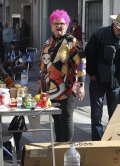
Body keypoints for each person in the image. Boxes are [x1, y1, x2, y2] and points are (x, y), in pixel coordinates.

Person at [37, 9, 86, 142]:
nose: (59, 26)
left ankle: (67, 148)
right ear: (51, 26)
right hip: (50, 87)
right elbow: (43, 63)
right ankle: (59, 147)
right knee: (56, 118)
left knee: (66, 117)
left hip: (67, 87)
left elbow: (81, 62)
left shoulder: (71, 41)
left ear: (67, 25)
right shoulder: (48, 42)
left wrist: (81, 84)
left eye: (62, 23)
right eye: (56, 23)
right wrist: (40, 82)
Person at [84, 14, 120, 141]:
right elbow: (88, 54)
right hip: (97, 81)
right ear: (114, 24)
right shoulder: (99, 34)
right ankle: (97, 142)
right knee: (96, 115)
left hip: (115, 83)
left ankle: (113, 141)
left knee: (115, 116)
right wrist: (92, 74)